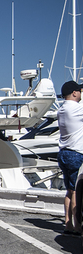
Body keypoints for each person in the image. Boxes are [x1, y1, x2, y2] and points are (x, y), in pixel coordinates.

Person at [56, 80, 83, 236]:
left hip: (63, 153)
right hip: (75, 153)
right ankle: (78, 227)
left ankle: (68, 224)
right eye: (80, 91)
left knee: (69, 190)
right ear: (74, 93)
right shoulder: (77, 109)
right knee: (76, 193)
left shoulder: (61, 110)